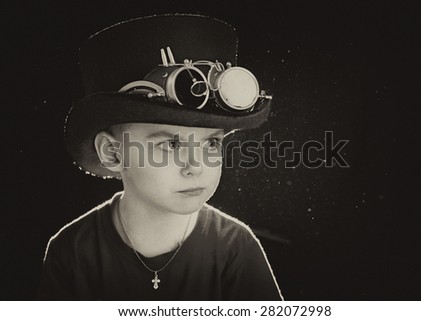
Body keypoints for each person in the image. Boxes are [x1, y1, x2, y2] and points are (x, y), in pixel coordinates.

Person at [38, 14, 283, 300]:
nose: (196, 166)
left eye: (212, 143)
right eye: (170, 144)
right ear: (113, 152)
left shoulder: (235, 248)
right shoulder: (72, 252)